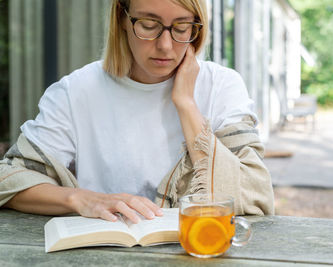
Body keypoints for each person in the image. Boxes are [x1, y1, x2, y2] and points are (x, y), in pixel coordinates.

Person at [0, 0, 274, 223]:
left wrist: (187, 105)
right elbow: (9, 180)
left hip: (196, 252)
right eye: (149, 24)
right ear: (122, 18)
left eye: (181, 27)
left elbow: (254, 195)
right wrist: (81, 199)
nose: (165, 45)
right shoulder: (76, 92)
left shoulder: (222, 86)